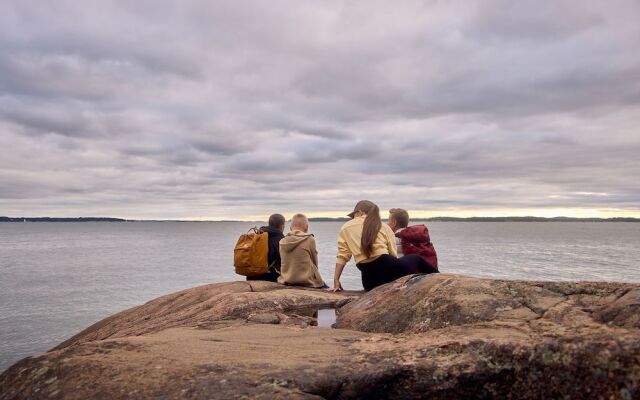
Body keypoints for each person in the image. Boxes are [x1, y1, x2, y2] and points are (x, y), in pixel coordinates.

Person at [328, 200, 436, 292]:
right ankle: (441, 279)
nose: (353, 218)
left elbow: (342, 257)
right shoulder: (383, 226)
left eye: (354, 215)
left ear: (360, 212)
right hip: (387, 264)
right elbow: (393, 254)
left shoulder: (345, 227)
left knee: (373, 288)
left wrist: (336, 281)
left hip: (368, 278)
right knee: (416, 258)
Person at [278, 213, 326, 288]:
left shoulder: (282, 241)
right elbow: (315, 261)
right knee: (326, 286)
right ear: (306, 228)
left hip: (287, 279)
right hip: (306, 281)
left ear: (290, 228)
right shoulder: (309, 239)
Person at [247, 213, 285, 282]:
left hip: (252, 276)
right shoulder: (282, 240)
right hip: (271, 278)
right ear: (282, 226)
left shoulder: (257, 235)